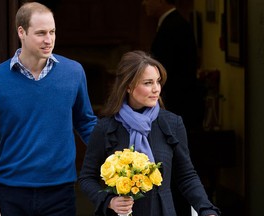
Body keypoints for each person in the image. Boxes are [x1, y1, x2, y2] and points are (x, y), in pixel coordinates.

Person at [0, 2, 97, 216]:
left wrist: (118, 157)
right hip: (12, 194)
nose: (48, 40)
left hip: (61, 193)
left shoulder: (73, 72)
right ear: (21, 32)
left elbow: (86, 123)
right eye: (41, 33)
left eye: (52, 32)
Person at [78, 50, 220, 216]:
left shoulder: (172, 124)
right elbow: (86, 177)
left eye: (158, 82)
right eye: (147, 83)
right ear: (128, 86)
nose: (156, 89)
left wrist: (207, 209)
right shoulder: (105, 127)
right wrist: (109, 201)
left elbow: (186, 176)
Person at [142, 0, 205, 132]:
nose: (144, 3)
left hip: (177, 105)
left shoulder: (174, 26)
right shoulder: (171, 23)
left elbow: (164, 68)